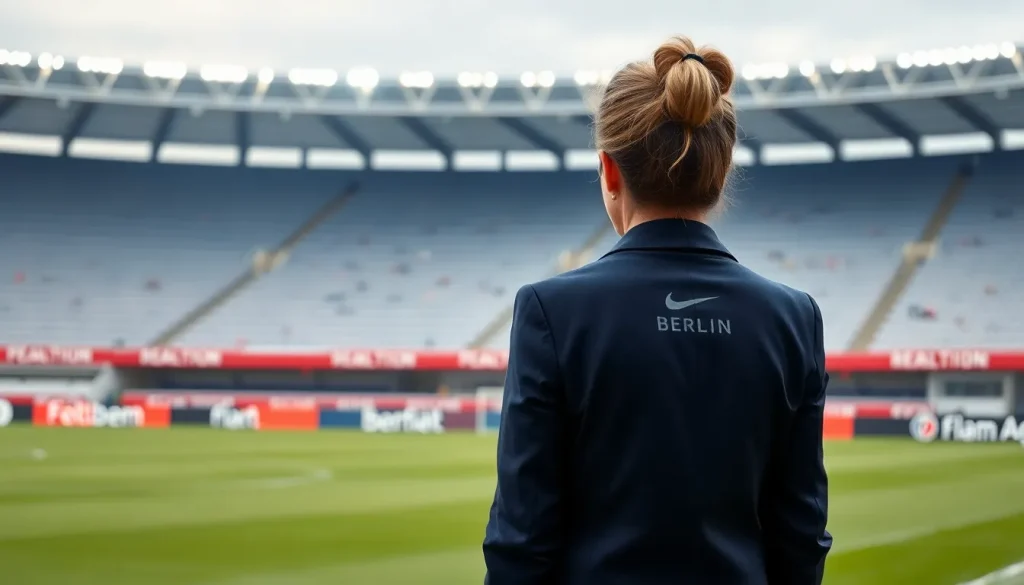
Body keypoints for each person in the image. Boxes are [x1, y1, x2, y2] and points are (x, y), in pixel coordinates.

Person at [483, 35, 832, 585]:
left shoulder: (551, 311)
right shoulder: (793, 319)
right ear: (718, 177)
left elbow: (520, 543)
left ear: (609, 172)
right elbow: (802, 536)